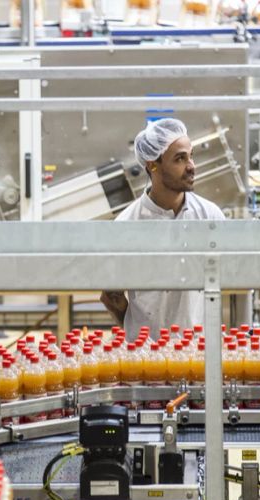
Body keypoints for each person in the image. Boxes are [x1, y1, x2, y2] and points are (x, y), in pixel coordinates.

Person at [100, 118, 225, 337]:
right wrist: (135, 332)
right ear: (152, 164)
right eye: (180, 158)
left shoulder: (209, 216)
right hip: (148, 357)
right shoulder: (127, 225)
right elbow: (111, 297)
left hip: (197, 353)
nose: (191, 166)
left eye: (191, 156)